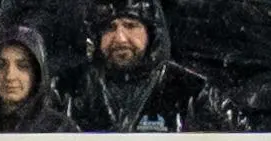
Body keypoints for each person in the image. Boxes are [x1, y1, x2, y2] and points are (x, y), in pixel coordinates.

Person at [66, 0, 234, 134]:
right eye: (109, 28)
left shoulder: (193, 92)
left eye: (131, 25)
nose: (120, 39)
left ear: (151, 32)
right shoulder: (66, 90)